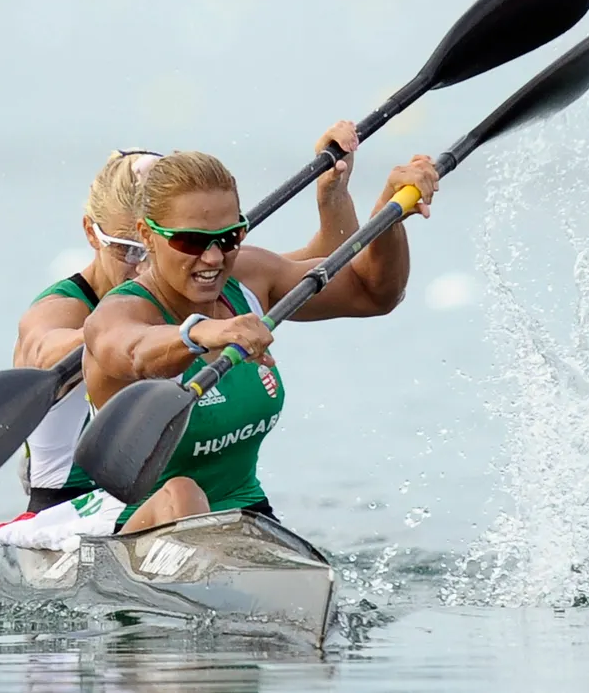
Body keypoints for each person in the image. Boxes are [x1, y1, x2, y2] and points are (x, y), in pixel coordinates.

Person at [0, 122, 363, 542]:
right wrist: (117, 337)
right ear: (92, 234)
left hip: (172, 501)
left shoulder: (201, 283)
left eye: (173, 246)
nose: (144, 265)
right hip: (74, 511)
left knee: (186, 495)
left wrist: (332, 192)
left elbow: (322, 270)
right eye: (129, 249)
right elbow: (45, 349)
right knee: (180, 494)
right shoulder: (64, 306)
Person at [70, 148, 438, 537]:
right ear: (147, 235)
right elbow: (133, 351)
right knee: (181, 491)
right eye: (191, 242)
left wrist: (390, 213)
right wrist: (203, 332)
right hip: (140, 527)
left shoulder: (249, 278)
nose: (213, 257)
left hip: (246, 516)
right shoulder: (119, 313)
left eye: (228, 238)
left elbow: (372, 293)